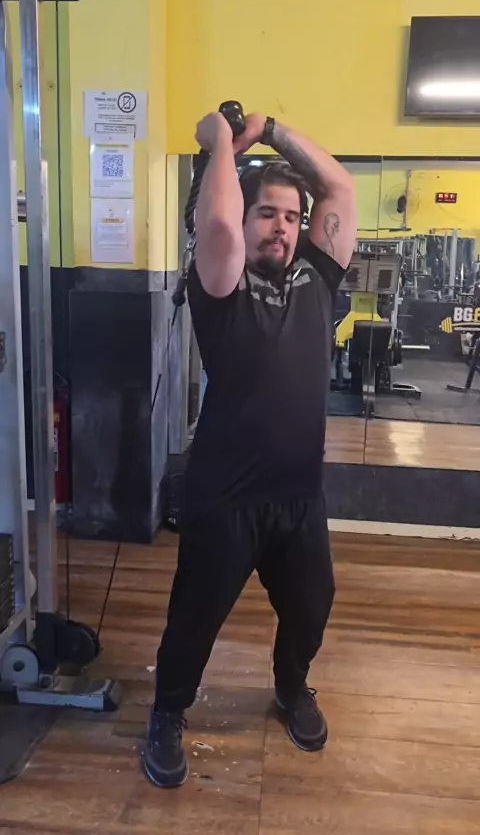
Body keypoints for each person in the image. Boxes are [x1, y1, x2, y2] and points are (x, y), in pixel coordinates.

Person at [142, 111, 357, 788]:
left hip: (298, 496)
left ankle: (292, 688)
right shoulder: (222, 284)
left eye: (292, 217)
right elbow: (217, 225)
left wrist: (272, 130)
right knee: (194, 619)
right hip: (225, 497)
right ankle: (168, 712)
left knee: (311, 607)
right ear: (246, 217)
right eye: (267, 214)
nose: (282, 227)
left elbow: (341, 190)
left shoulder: (318, 278)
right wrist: (220, 145)